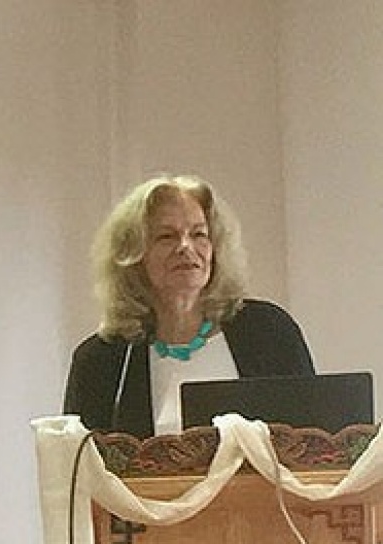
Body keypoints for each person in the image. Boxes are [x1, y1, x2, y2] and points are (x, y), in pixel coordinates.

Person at [64, 174, 316, 437]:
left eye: (198, 234)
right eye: (166, 236)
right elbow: (79, 469)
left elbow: (315, 444)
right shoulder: (102, 361)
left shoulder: (269, 332)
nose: (185, 247)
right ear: (133, 255)